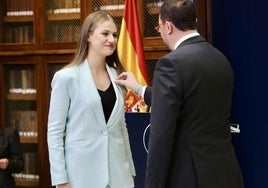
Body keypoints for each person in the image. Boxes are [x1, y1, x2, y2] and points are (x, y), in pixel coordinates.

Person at [115, 0, 244, 188]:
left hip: (190, 177)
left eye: (159, 27)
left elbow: (160, 137)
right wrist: (138, 88)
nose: (160, 32)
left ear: (168, 26)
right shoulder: (220, 59)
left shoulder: (171, 64)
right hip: (226, 173)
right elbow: (191, 102)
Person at [47, 11, 135, 188]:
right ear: (88, 36)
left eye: (115, 35)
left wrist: (130, 170)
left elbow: (121, 128)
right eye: (105, 33)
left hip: (119, 176)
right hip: (80, 176)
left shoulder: (118, 76)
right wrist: (61, 180)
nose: (112, 39)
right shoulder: (66, 77)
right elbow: (55, 132)